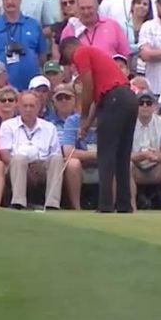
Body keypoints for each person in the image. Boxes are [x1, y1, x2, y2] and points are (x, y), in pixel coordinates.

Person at [60, 36, 139, 213]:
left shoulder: (81, 52)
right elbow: (100, 96)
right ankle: (124, 204)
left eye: (67, 59)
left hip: (115, 99)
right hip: (128, 98)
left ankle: (105, 204)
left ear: (68, 48)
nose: (71, 64)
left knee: (106, 153)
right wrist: (87, 123)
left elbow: (88, 86)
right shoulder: (97, 56)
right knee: (122, 154)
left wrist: (83, 116)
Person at [0, 91, 64, 210]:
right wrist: (24, 165)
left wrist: (39, 164)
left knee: (57, 159)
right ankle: (18, 202)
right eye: (25, 106)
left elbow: (55, 152)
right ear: (19, 107)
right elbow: (4, 153)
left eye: (32, 106)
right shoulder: (8, 126)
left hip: (41, 166)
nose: (28, 109)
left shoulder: (49, 127)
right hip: (17, 166)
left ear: (39, 108)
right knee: (19, 159)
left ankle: (52, 203)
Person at [61, 0, 130, 57]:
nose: (86, 12)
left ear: (97, 7)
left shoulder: (113, 26)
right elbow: (65, 60)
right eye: (82, 8)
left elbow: (125, 54)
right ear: (77, 9)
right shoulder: (69, 30)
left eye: (89, 8)